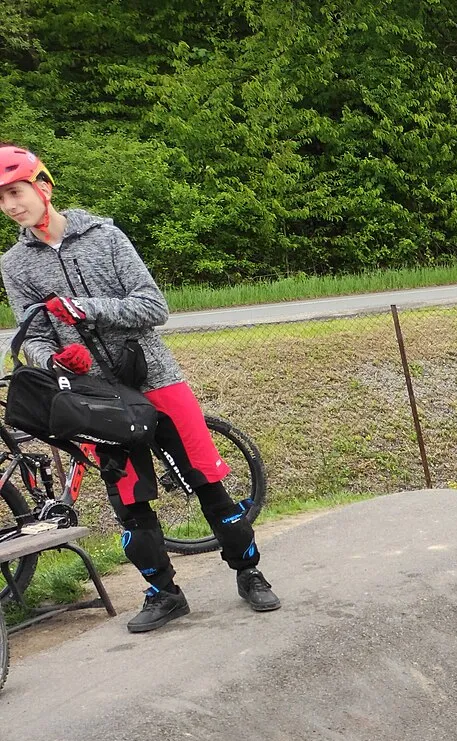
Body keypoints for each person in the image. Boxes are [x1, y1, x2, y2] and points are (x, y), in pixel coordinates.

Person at [0, 145, 280, 633]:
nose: (10, 205)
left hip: (155, 378)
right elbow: (32, 336)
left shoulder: (105, 237)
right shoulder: (16, 264)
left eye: (16, 192)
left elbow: (153, 306)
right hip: (93, 397)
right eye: (2, 198)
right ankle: (164, 593)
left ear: (43, 187)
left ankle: (249, 573)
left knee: (206, 479)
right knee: (129, 500)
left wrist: (87, 309)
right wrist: (56, 358)